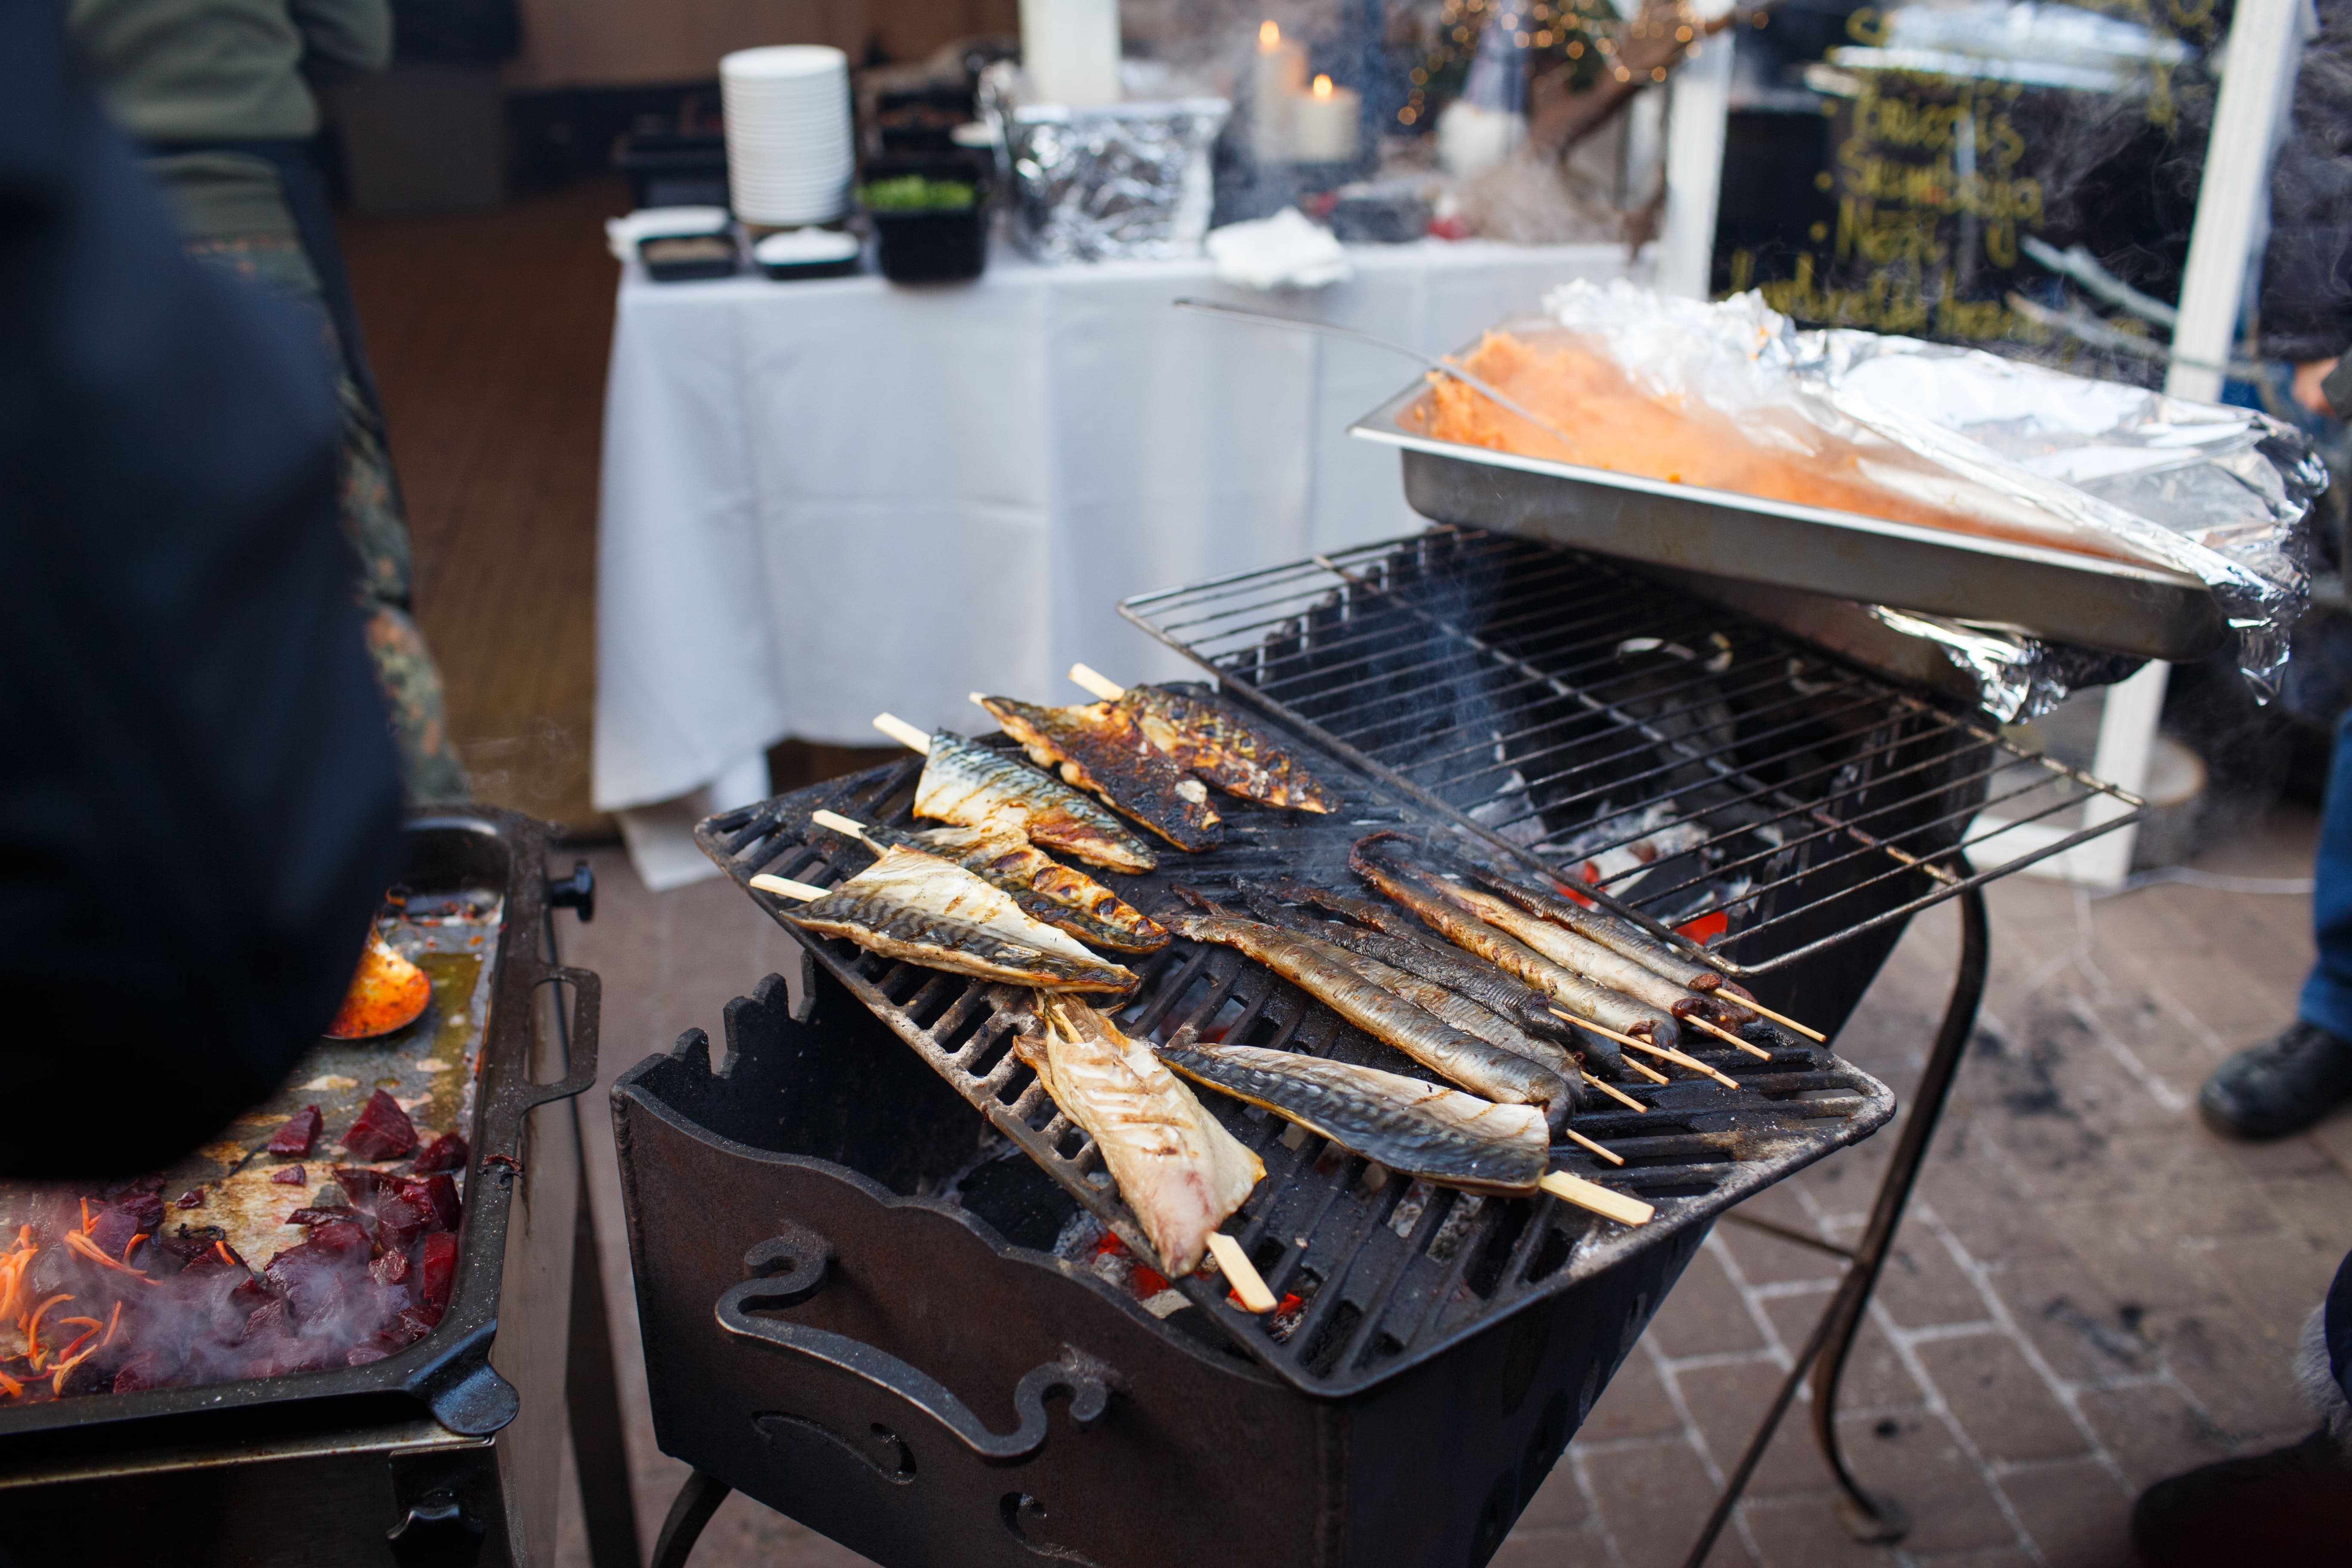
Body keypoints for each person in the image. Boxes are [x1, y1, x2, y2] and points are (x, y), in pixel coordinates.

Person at [3, 0, 404, 1173]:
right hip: (227, 208)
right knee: (355, 595)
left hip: (98, 201)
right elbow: (356, 38)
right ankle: (394, 955)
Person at [69, 0, 471, 804]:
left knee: (80, 598)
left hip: (62, 251)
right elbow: (355, 40)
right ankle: (427, 872)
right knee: (347, 577)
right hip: (250, 222)